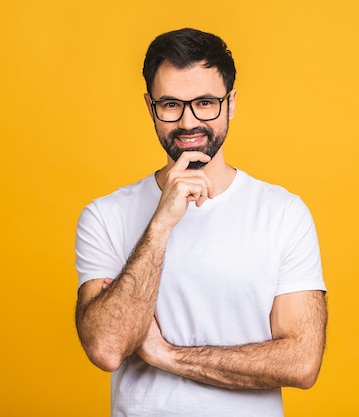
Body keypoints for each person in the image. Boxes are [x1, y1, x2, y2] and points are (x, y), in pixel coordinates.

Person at [74, 28, 327, 417]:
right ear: (150, 107)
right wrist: (160, 223)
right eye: (171, 104)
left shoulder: (283, 213)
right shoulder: (105, 216)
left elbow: (301, 362)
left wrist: (166, 355)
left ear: (231, 104)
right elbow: (107, 347)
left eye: (206, 103)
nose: (189, 122)